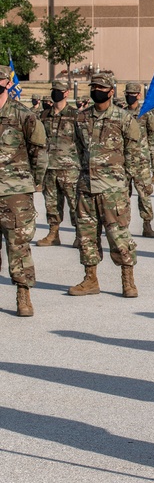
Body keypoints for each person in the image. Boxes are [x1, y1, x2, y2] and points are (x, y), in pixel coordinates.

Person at [69, 72, 145, 297]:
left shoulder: (124, 119)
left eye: (101, 88)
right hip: (86, 187)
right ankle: (90, 279)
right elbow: (80, 151)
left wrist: (137, 186)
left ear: (111, 91)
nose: (96, 91)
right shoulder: (81, 119)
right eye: (94, 87)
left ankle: (128, 280)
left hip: (113, 190)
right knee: (86, 235)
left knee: (118, 235)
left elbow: (134, 156)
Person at [0, 65, 47, 316]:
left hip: (15, 193)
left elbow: (39, 152)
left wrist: (33, 183)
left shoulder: (24, 115)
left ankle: (23, 293)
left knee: (18, 246)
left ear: (8, 84)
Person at [37, 81, 80, 248]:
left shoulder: (76, 115)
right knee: (51, 203)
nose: (56, 93)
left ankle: (79, 235)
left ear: (67, 93)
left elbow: (83, 143)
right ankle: (53, 234)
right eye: (54, 90)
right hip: (49, 167)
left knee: (75, 204)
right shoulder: (43, 115)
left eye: (60, 91)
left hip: (70, 168)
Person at [124, 83, 154, 238]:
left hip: (141, 161)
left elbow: (153, 133)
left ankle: (147, 224)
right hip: (124, 161)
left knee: (144, 194)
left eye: (132, 93)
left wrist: (151, 153)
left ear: (138, 95)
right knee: (122, 195)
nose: (129, 96)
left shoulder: (146, 113)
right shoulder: (121, 114)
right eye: (127, 93)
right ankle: (123, 225)